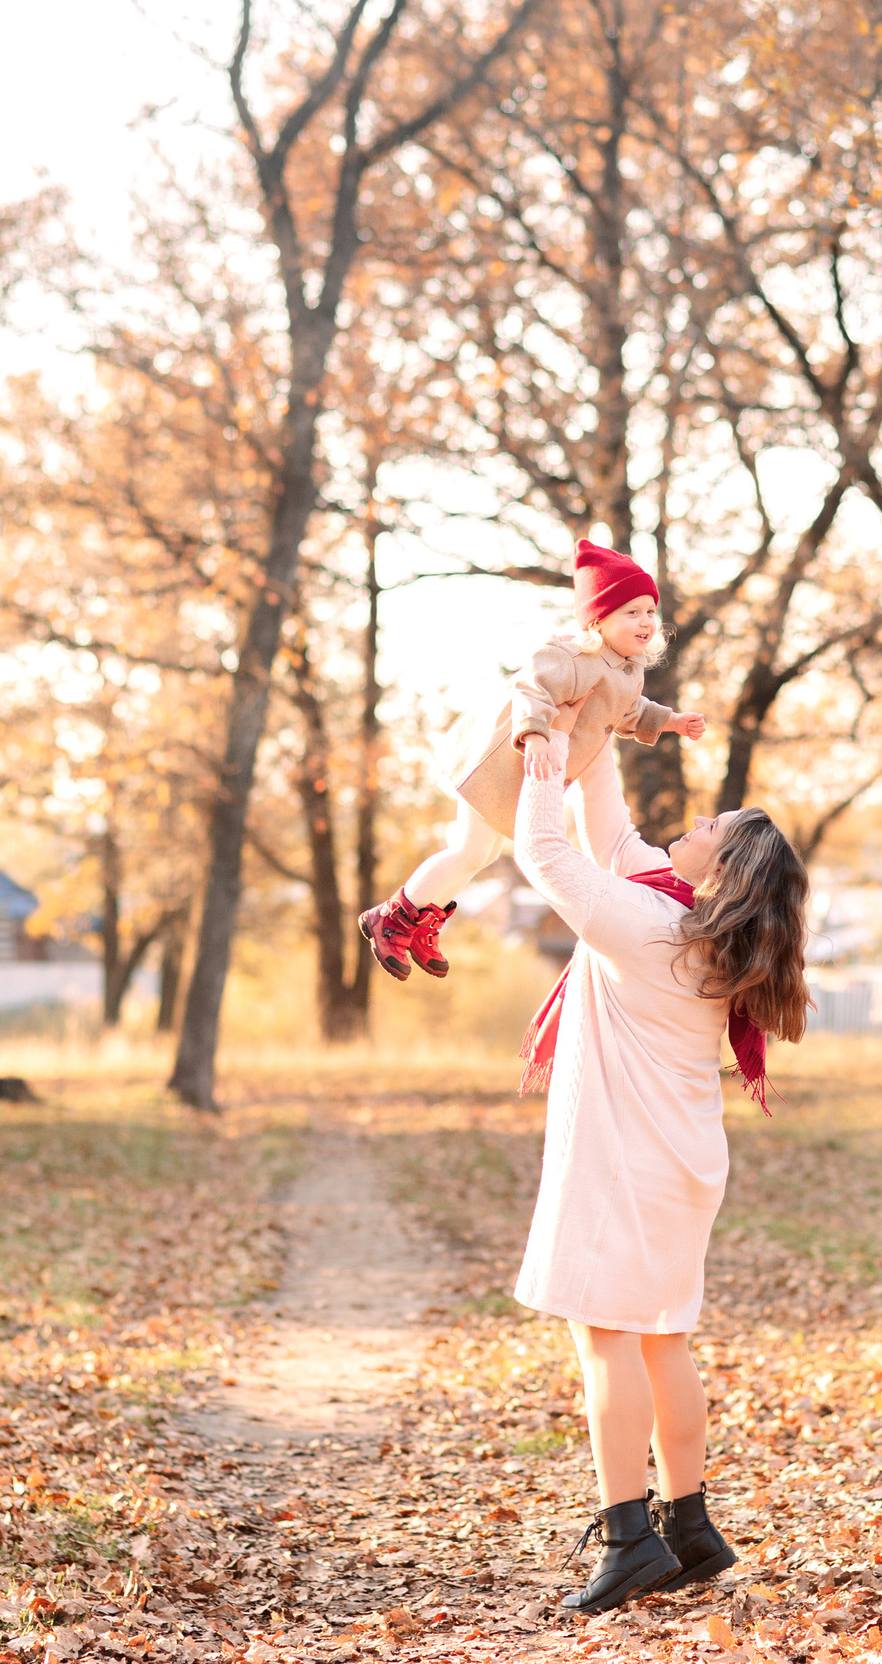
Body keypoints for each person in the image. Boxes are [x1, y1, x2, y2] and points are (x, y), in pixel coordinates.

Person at [509, 740, 808, 1613]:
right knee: (662, 1336)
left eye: (709, 826)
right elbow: (609, 831)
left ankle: (628, 1533)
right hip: (679, 1157)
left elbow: (548, 854)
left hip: (626, 1161)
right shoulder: (692, 922)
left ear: (720, 866)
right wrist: (597, 727)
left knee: (603, 1336)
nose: (692, 822)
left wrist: (541, 759)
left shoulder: (652, 925)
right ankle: (689, 1524)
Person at [358, 540, 709, 982]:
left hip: (524, 775)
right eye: (631, 612)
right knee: (468, 850)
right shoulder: (571, 656)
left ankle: (420, 917)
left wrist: (672, 720)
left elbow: (629, 711)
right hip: (498, 762)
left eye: (649, 612)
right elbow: (531, 690)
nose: (645, 622)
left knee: (479, 854)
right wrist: (537, 734)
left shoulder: (627, 669)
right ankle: (393, 917)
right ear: (598, 619)